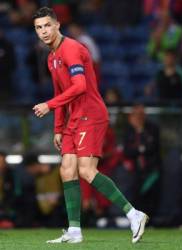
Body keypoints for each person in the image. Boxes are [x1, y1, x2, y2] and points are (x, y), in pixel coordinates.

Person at [32, 7, 148, 244]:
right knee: (67, 169)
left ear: (57, 26)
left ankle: (133, 214)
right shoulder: (51, 58)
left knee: (86, 170)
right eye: (38, 27)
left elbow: (80, 86)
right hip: (72, 118)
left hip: (90, 114)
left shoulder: (72, 49)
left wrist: (50, 105)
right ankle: (74, 231)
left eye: (47, 25)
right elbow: (60, 91)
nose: (43, 31)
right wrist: (57, 128)